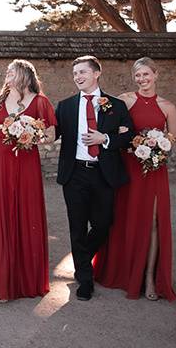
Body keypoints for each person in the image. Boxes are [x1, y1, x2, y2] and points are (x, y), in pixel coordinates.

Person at [0, 60, 56, 302]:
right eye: (6, 72)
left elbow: (51, 134)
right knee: (0, 213)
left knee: (25, 213)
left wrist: (32, 134)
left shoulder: (40, 102)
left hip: (26, 163)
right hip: (1, 162)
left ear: (25, 75)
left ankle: (24, 280)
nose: (7, 75)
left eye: (12, 71)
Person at [94, 57, 176, 301]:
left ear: (156, 74)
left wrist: (157, 147)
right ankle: (123, 272)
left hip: (153, 171)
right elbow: (111, 129)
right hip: (128, 168)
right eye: (138, 75)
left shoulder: (168, 107)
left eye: (146, 74)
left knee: (153, 223)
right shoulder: (124, 100)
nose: (142, 79)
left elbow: (172, 142)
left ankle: (149, 278)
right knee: (125, 219)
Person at [54, 55, 134, 301]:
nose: (78, 77)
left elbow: (129, 135)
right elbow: (50, 133)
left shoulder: (115, 105)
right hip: (75, 173)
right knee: (77, 227)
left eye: (82, 72)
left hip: (103, 173)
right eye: (75, 73)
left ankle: (82, 257)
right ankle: (85, 280)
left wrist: (106, 139)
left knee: (103, 223)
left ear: (96, 73)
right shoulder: (65, 106)